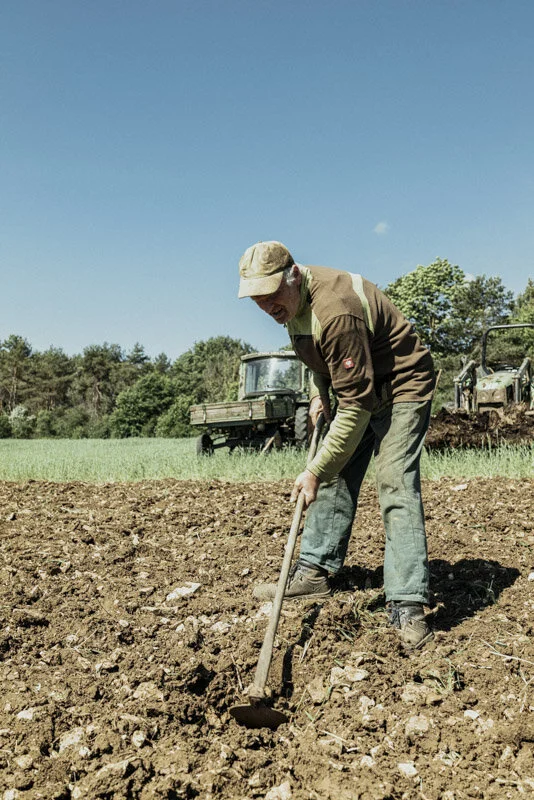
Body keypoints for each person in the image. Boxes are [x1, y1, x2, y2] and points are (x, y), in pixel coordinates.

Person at [237, 241, 436, 649]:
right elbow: (319, 359)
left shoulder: (337, 309)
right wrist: (317, 393)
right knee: (336, 473)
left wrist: (313, 470)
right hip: (358, 388)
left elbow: (358, 405)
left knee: (394, 481)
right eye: (257, 299)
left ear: (293, 274)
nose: (267, 306)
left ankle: (408, 602)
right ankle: (313, 572)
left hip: (399, 386)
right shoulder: (293, 304)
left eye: (271, 294)